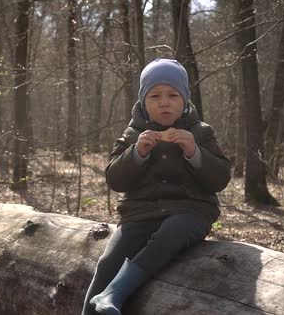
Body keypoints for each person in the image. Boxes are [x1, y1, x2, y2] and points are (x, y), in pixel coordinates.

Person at [81, 58, 231, 315]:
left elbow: (220, 179)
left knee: (170, 233)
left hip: (191, 212)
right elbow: (114, 180)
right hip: (140, 213)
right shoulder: (132, 135)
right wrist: (136, 153)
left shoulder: (202, 132)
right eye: (155, 96)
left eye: (173, 95)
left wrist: (194, 151)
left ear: (185, 100)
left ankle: (114, 293)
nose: (164, 102)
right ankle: (92, 309)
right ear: (143, 102)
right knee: (109, 260)